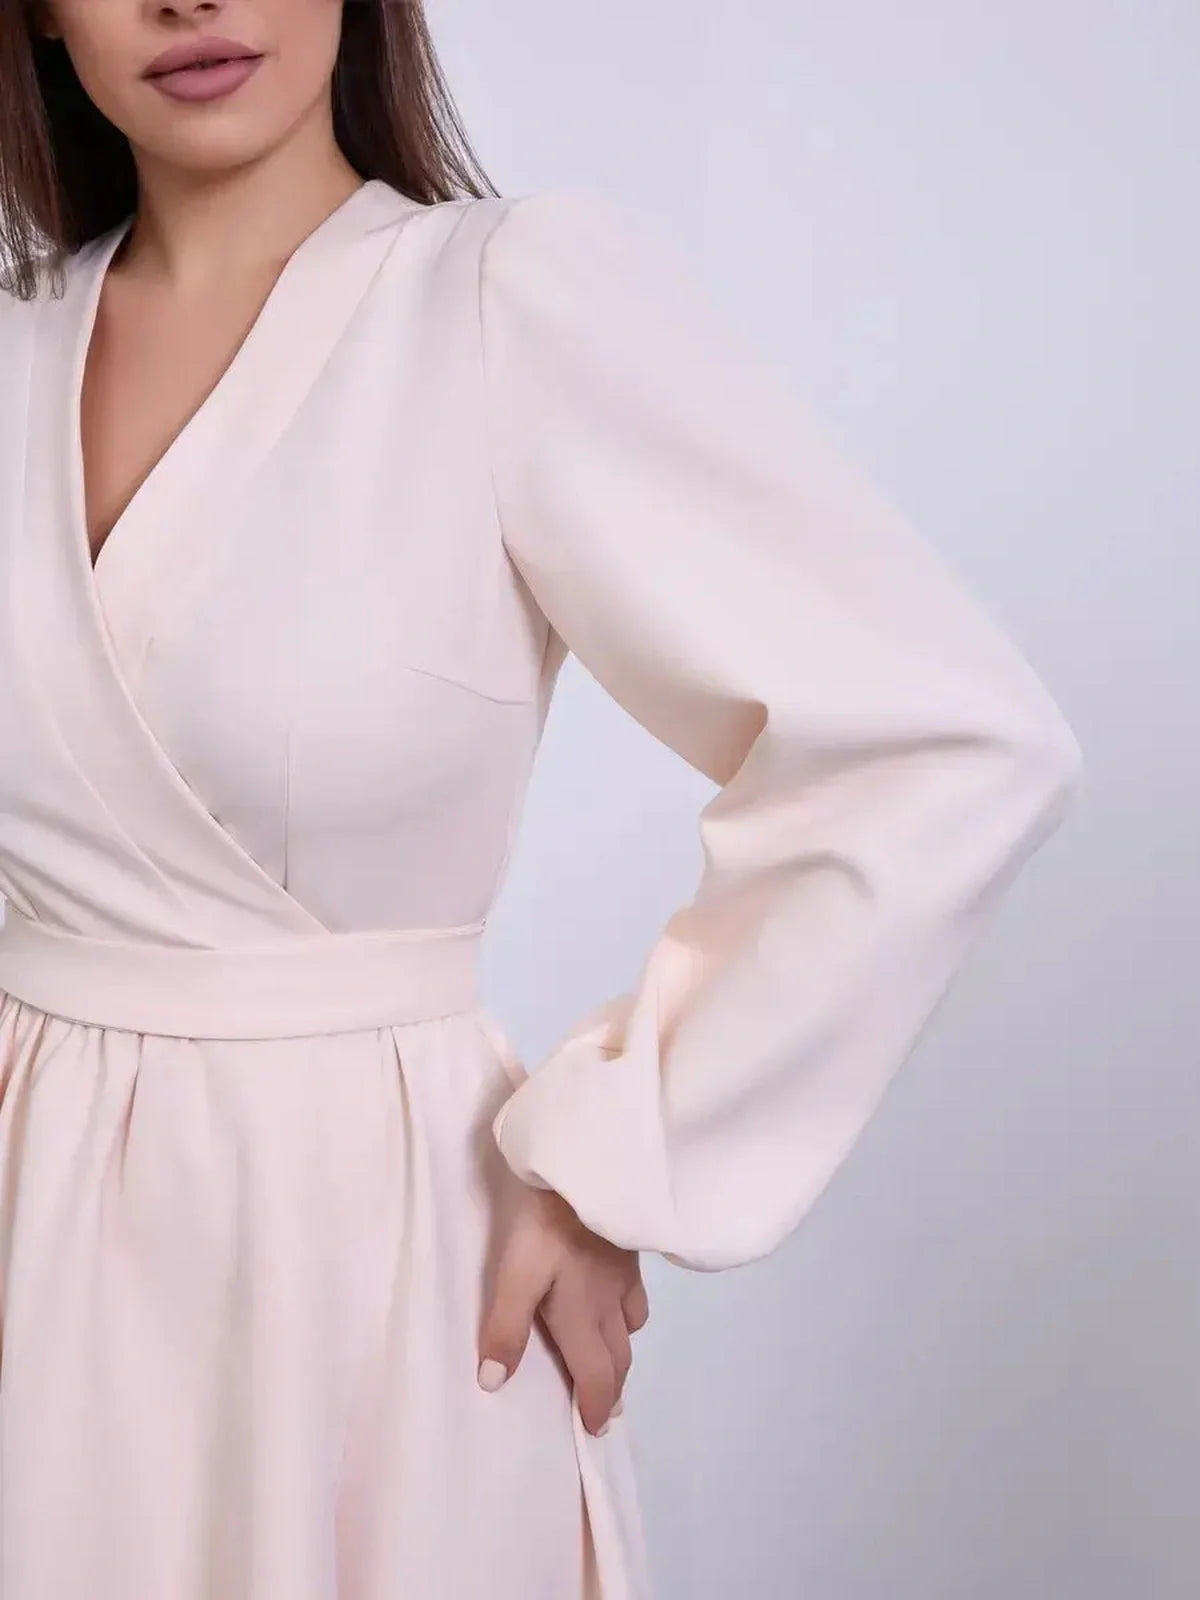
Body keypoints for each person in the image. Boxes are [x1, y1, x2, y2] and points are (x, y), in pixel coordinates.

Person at [0, 0, 1084, 1594]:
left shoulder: (498, 303)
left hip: (372, 1271)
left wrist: (622, 1152)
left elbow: (944, 738)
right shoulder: (12, 344)